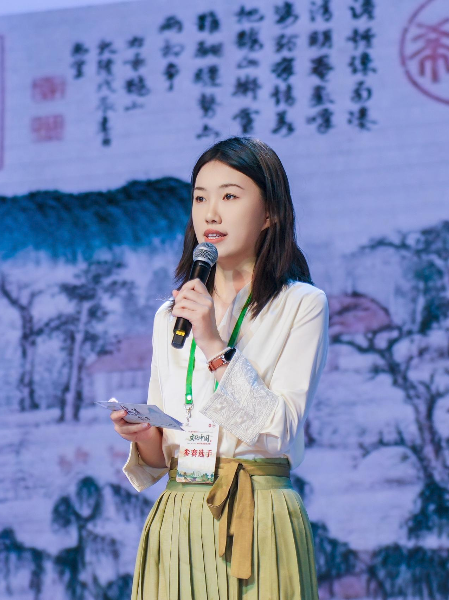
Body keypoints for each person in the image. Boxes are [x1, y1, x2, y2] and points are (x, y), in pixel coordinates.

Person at [110, 136, 329, 600]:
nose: (210, 213)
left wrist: (212, 341)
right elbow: (162, 453)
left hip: (258, 509)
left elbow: (276, 430)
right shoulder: (171, 315)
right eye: (200, 198)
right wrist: (144, 434)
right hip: (179, 512)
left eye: (229, 196)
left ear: (270, 213)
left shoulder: (301, 305)